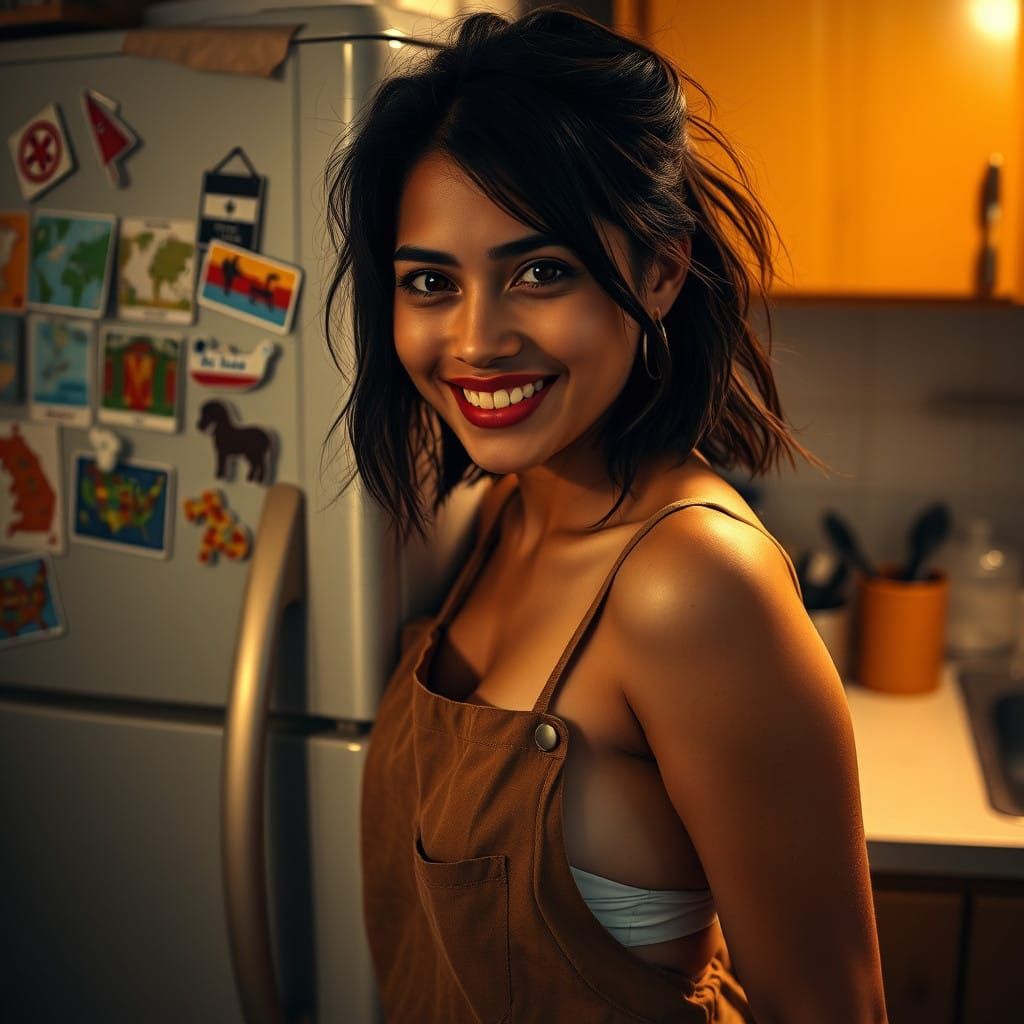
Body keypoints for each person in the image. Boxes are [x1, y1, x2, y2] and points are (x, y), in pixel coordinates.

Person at [322, 6, 888, 1022]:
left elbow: (833, 1008)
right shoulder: (505, 511)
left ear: (660, 271)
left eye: (541, 271)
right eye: (430, 282)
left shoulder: (690, 583)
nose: (477, 338)